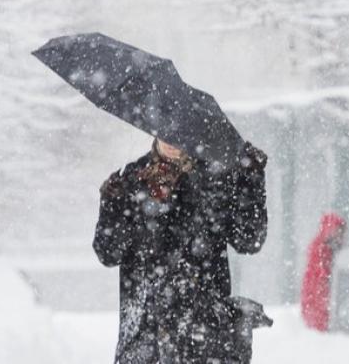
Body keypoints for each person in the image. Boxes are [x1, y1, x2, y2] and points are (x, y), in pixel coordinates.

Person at [93, 138, 269, 363]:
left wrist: (251, 180)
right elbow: (107, 253)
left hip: (202, 333)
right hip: (145, 336)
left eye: (179, 133)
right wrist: (113, 206)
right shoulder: (132, 180)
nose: (172, 140)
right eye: (166, 132)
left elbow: (249, 240)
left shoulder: (213, 179)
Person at [300, 213, 346, 332]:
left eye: (341, 232)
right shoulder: (321, 248)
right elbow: (319, 276)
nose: (339, 236)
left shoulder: (329, 248)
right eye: (337, 231)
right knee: (317, 327)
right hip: (316, 295)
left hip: (320, 296)